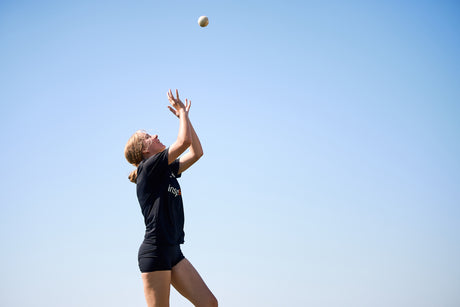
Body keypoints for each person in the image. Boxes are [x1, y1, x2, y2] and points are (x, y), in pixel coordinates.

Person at [124, 89, 218, 307]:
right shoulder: (148, 168)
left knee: (209, 303)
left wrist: (186, 118)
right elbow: (183, 142)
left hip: (173, 251)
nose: (155, 135)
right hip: (155, 252)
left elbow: (196, 152)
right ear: (144, 151)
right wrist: (182, 112)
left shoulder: (165, 169)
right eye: (147, 137)